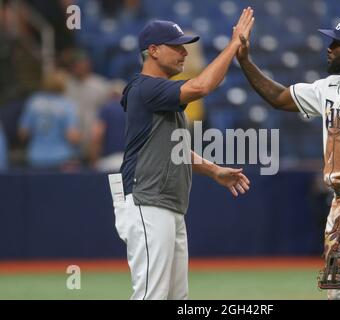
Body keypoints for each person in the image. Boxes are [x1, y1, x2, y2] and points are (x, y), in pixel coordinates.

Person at [236, 17, 340, 300]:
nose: (329, 48)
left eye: (337, 43)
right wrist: (245, 61)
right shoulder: (331, 87)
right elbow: (279, 97)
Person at [109, 8, 254, 300]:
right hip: (147, 202)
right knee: (152, 295)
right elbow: (202, 86)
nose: (184, 53)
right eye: (176, 46)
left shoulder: (157, 91)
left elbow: (174, 148)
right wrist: (234, 44)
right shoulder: (145, 87)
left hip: (166, 205)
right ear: (152, 51)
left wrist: (213, 170)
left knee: (176, 298)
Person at [18, 70, 81, 170]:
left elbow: (23, 133)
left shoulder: (33, 102)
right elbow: (72, 136)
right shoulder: (67, 105)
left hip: (36, 156)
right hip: (61, 157)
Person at [89, 80, 126, 172]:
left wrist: (94, 160)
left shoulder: (106, 108)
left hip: (109, 161)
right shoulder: (133, 109)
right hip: (130, 161)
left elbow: (97, 135)